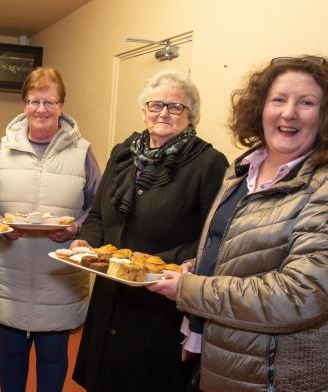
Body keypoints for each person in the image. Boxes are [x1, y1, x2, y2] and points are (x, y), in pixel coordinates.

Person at [147, 55, 328, 392]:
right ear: (259, 108)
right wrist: (195, 268)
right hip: (220, 364)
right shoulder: (240, 173)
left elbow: (303, 295)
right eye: (278, 99)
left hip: (275, 378)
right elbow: (236, 252)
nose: (288, 112)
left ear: (327, 115)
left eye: (306, 102)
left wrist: (190, 290)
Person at [71, 71, 228, 392]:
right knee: (104, 378)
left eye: (175, 107)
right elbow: (100, 213)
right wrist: (86, 242)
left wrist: (157, 263)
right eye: (156, 105)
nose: (164, 113)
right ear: (144, 110)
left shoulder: (208, 163)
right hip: (111, 292)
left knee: (148, 381)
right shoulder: (124, 153)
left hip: (160, 298)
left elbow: (212, 238)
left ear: (191, 115)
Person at [0, 66, 101, 392]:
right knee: (11, 354)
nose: (41, 109)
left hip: (58, 275)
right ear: (23, 104)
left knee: (53, 355)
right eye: (34, 101)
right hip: (9, 272)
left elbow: (99, 208)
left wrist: (75, 227)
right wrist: (0, 223)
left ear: (62, 105)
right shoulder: (4, 149)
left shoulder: (83, 153)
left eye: (49, 102)